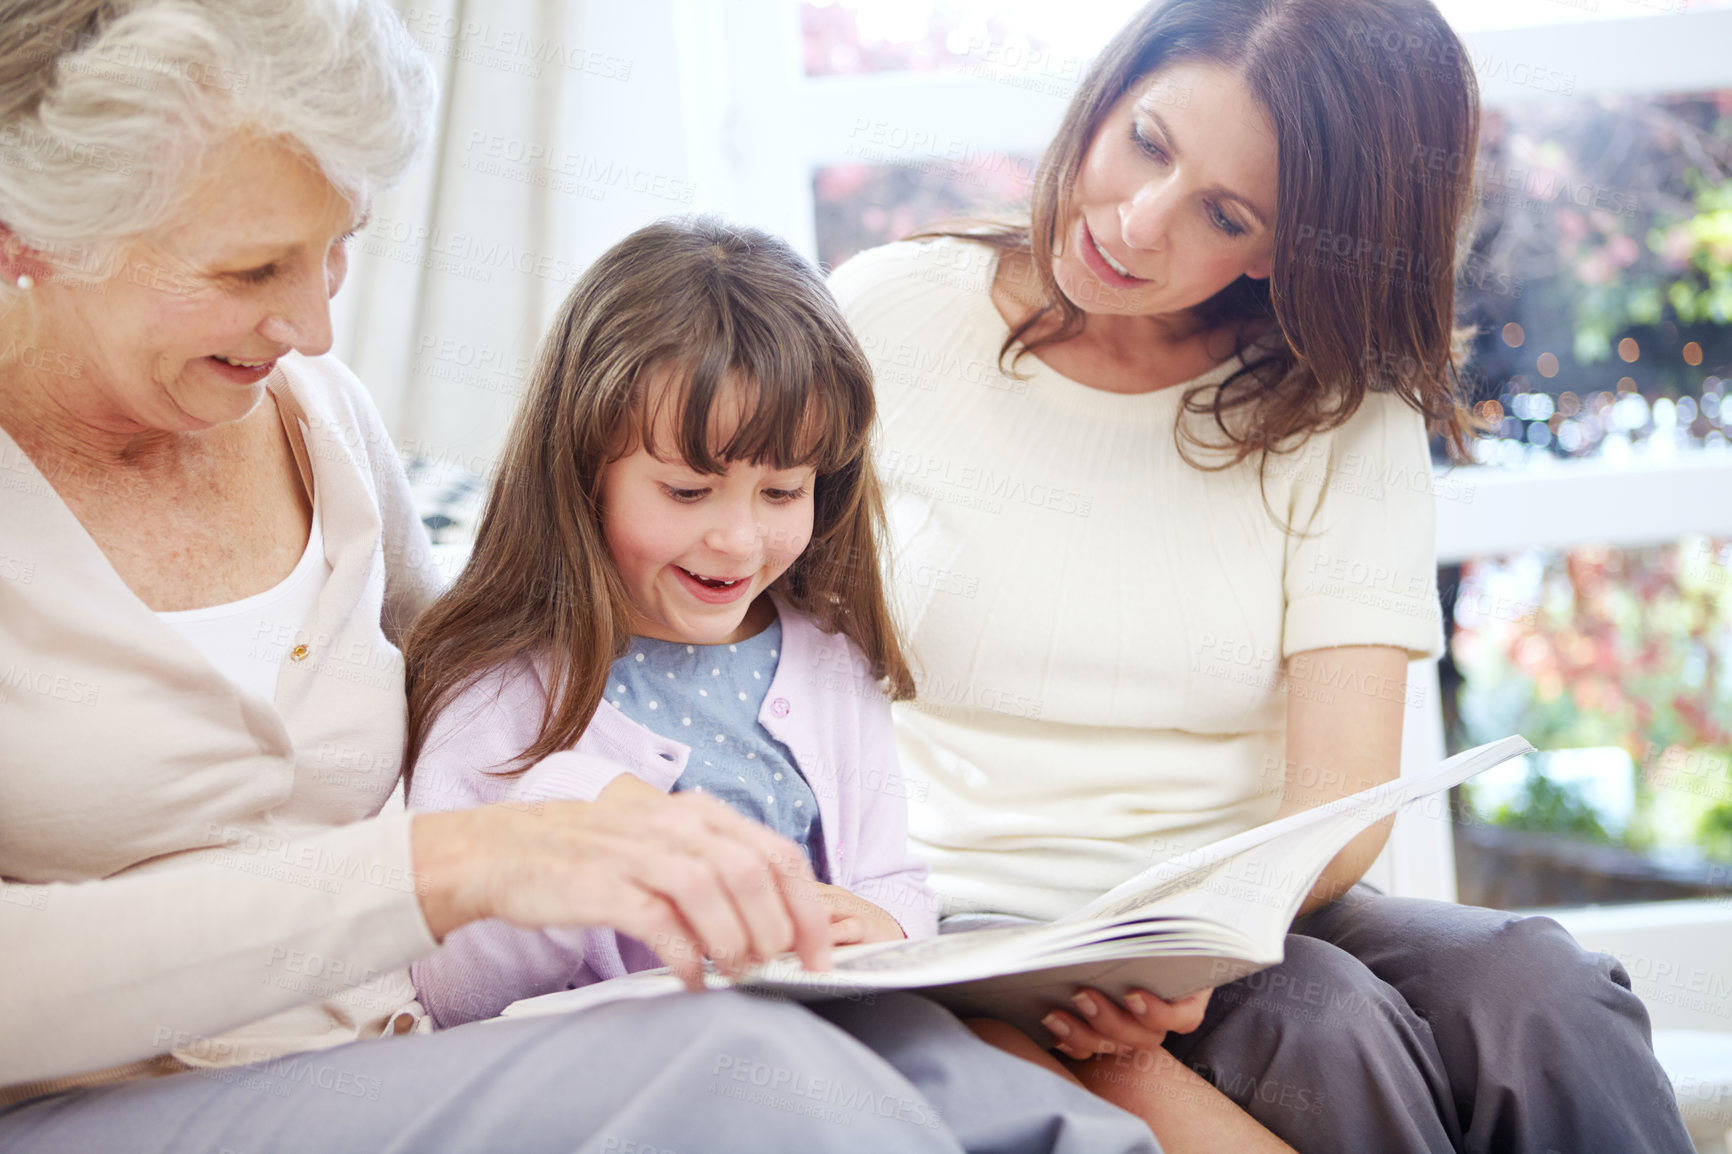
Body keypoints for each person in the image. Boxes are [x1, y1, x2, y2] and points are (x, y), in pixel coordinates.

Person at [0, 3, 1164, 1151]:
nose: (312, 322)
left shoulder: (319, 418)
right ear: (28, 235)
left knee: (999, 1081)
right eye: (252, 266)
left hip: (403, 1049)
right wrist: (461, 864)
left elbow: (459, 662)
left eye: (336, 242)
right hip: (103, 1093)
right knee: (736, 1065)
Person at [828, 0, 1695, 1151]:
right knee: (1325, 1026)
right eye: (1145, 141)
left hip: (1242, 911)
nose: (1136, 223)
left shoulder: (1335, 406)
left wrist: (1207, 944)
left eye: (1222, 213)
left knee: (1543, 987)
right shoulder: (886, 316)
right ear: (1111, 86)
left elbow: (1335, 802)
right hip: (973, 920)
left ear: (1288, 246)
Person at [403, 218, 937, 1027]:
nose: (738, 539)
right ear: (584, 471)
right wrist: (567, 823)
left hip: (827, 1037)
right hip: (621, 1069)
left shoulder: (827, 657)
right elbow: (456, 995)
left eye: (783, 492)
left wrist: (884, 925)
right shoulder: (499, 687)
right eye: (688, 491)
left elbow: (893, 877)